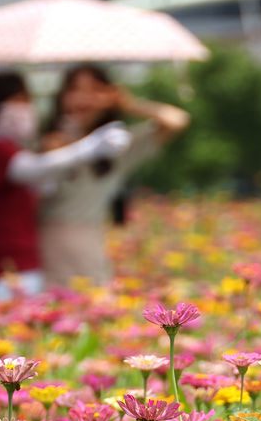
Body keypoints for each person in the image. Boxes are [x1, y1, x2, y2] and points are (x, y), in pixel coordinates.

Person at [0, 70, 130, 300]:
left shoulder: (6, 149)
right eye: (17, 101)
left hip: (15, 268)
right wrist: (89, 147)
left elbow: (43, 185)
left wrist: (68, 140)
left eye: (26, 100)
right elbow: (35, 169)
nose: (25, 109)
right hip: (6, 273)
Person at [39, 64, 190, 288]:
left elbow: (177, 120)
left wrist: (129, 104)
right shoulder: (42, 141)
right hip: (41, 250)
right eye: (74, 89)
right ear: (61, 95)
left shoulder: (115, 147)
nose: (83, 98)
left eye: (94, 91)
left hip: (88, 247)